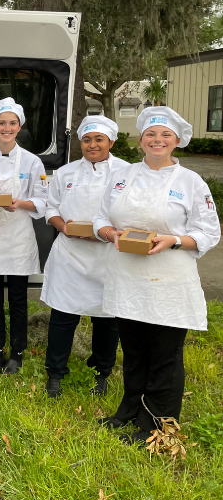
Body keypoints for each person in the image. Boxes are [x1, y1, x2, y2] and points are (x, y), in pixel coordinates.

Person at [95, 106, 220, 445]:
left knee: (165, 355)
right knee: (134, 350)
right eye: (150, 134)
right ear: (140, 140)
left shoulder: (190, 182)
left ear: (177, 141)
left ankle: (157, 424)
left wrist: (174, 240)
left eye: (165, 134)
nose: (157, 140)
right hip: (127, 277)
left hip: (169, 281)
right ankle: (128, 410)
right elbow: (101, 218)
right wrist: (110, 234)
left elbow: (209, 232)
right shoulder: (122, 176)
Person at [40, 116, 128, 398]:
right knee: (63, 316)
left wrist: (106, 233)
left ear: (111, 142)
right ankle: (55, 373)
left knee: (107, 319)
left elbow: (133, 212)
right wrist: (63, 227)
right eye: (87, 139)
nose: (92, 145)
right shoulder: (65, 173)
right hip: (70, 254)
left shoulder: (127, 172)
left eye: (99, 139)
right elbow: (51, 208)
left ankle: (101, 372)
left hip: (109, 256)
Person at [0, 97, 47, 374]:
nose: (7, 128)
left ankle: (16, 353)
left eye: (12, 123)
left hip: (18, 239)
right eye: (2, 123)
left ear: (19, 127)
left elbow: (42, 200)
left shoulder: (32, 162)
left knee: (18, 300)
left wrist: (20, 204)